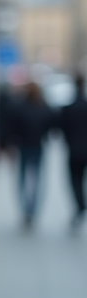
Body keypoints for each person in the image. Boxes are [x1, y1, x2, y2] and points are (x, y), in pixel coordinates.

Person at [11, 80, 54, 229]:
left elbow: (13, 127)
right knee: (37, 179)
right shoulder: (44, 107)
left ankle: (25, 209)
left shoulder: (20, 107)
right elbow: (51, 125)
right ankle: (32, 210)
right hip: (38, 146)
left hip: (23, 146)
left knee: (22, 179)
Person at [59, 74, 87, 229]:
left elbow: (61, 128)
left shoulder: (68, 108)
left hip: (73, 150)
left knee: (75, 181)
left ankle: (80, 205)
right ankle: (81, 205)